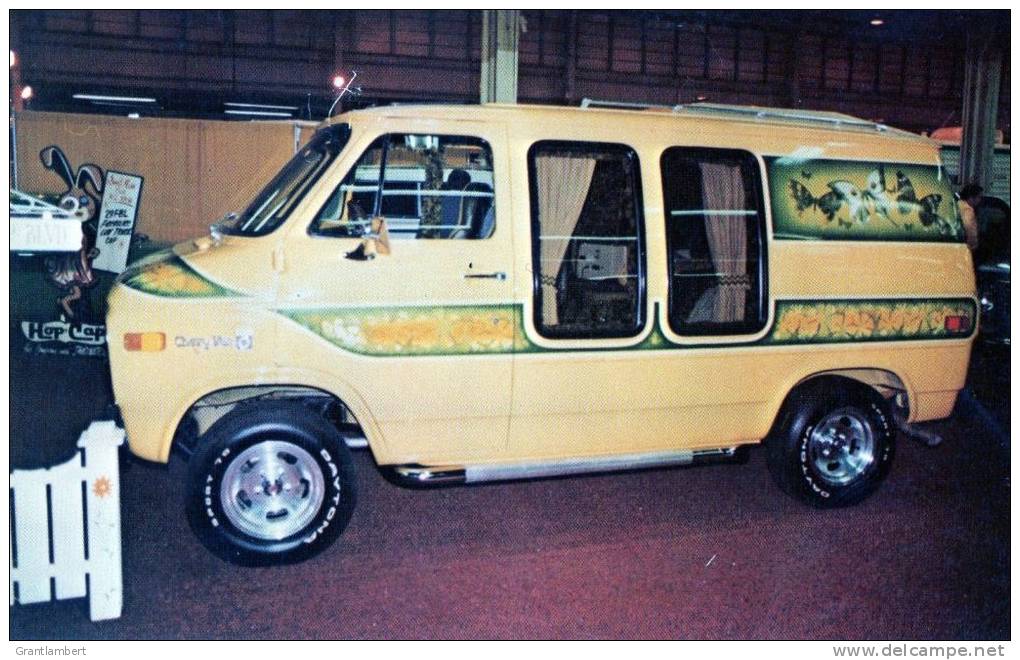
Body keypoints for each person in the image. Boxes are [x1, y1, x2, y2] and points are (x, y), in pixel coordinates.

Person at [957, 183, 982, 251]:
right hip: (966, 248)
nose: (980, 200)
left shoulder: (957, 205)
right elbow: (969, 229)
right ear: (971, 197)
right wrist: (973, 246)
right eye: (979, 197)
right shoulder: (968, 210)